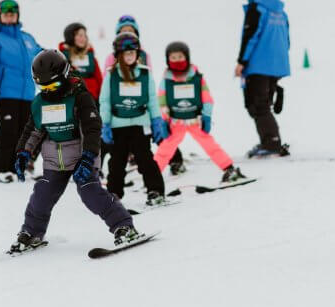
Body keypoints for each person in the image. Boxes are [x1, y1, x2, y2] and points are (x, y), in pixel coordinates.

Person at [9, 49, 142, 252]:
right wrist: (23, 153)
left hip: (81, 158)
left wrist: (88, 156)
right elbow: (33, 130)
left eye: (52, 85)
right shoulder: (40, 103)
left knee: (91, 194)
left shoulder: (79, 98)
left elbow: (91, 129)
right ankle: (32, 232)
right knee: (41, 195)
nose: (48, 90)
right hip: (54, 160)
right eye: (42, 86)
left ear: (64, 76)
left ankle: (123, 226)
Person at [154, 41, 246, 184]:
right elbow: (161, 100)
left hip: (195, 120)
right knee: (165, 150)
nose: (177, 60)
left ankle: (229, 168)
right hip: (175, 122)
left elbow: (207, 98)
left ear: (187, 57)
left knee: (210, 145)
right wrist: (164, 120)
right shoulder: (166, 80)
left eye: (180, 56)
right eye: (173, 58)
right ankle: (152, 177)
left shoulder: (197, 77)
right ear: (168, 60)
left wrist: (207, 116)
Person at [103, 14, 185, 174]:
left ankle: (175, 159)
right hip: (120, 107)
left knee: (157, 131)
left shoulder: (143, 55)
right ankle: (95, 167)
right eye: (123, 31)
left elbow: (148, 78)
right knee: (112, 139)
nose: (127, 33)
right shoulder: (111, 57)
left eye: (131, 30)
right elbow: (107, 83)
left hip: (141, 104)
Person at [99, 32, 168, 204]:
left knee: (145, 159)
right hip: (118, 125)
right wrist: (105, 123)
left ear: (137, 54)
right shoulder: (111, 75)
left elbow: (152, 100)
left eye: (132, 52)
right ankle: (114, 193)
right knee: (117, 162)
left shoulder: (145, 74)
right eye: (126, 53)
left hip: (140, 123)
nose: (129, 56)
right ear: (118, 55)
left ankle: (155, 190)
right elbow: (105, 100)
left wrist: (157, 121)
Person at [0, 0, 43, 183]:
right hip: (5, 93)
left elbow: (41, 56)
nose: (9, 16)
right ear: (0, 16)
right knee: (8, 130)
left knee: (25, 133)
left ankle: (17, 168)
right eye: (6, 14)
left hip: (27, 94)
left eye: (12, 14)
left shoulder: (27, 38)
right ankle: (0, 170)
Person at [235, 0, 290, 158]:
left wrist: (242, 62)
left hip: (258, 66)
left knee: (258, 106)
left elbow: (250, 36)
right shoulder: (279, 10)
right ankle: (271, 140)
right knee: (263, 105)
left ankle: (271, 142)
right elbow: (286, 38)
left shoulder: (256, 8)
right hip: (277, 65)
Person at [58, 22, 103, 100]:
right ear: (70, 37)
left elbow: (99, 80)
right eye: (79, 35)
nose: (83, 38)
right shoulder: (62, 58)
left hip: (91, 99)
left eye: (85, 35)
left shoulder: (91, 57)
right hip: (70, 99)